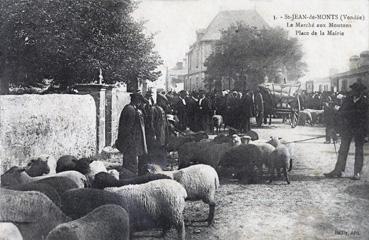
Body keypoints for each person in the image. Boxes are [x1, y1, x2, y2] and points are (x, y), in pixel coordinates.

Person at [324, 82, 369, 180]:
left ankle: (357, 172)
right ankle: (338, 170)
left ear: (360, 92)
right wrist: (336, 129)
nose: (353, 92)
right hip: (347, 129)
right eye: (353, 90)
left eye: (356, 90)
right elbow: (340, 114)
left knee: (359, 151)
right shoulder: (347, 101)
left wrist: (366, 133)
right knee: (343, 150)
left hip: (359, 130)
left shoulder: (365, 102)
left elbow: (367, 119)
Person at [115, 91, 147, 175]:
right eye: (140, 101)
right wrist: (127, 142)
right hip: (130, 142)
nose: (140, 104)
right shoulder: (130, 110)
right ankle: (129, 178)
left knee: (130, 162)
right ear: (137, 101)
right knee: (131, 164)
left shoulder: (131, 108)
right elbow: (127, 129)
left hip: (132, 142)